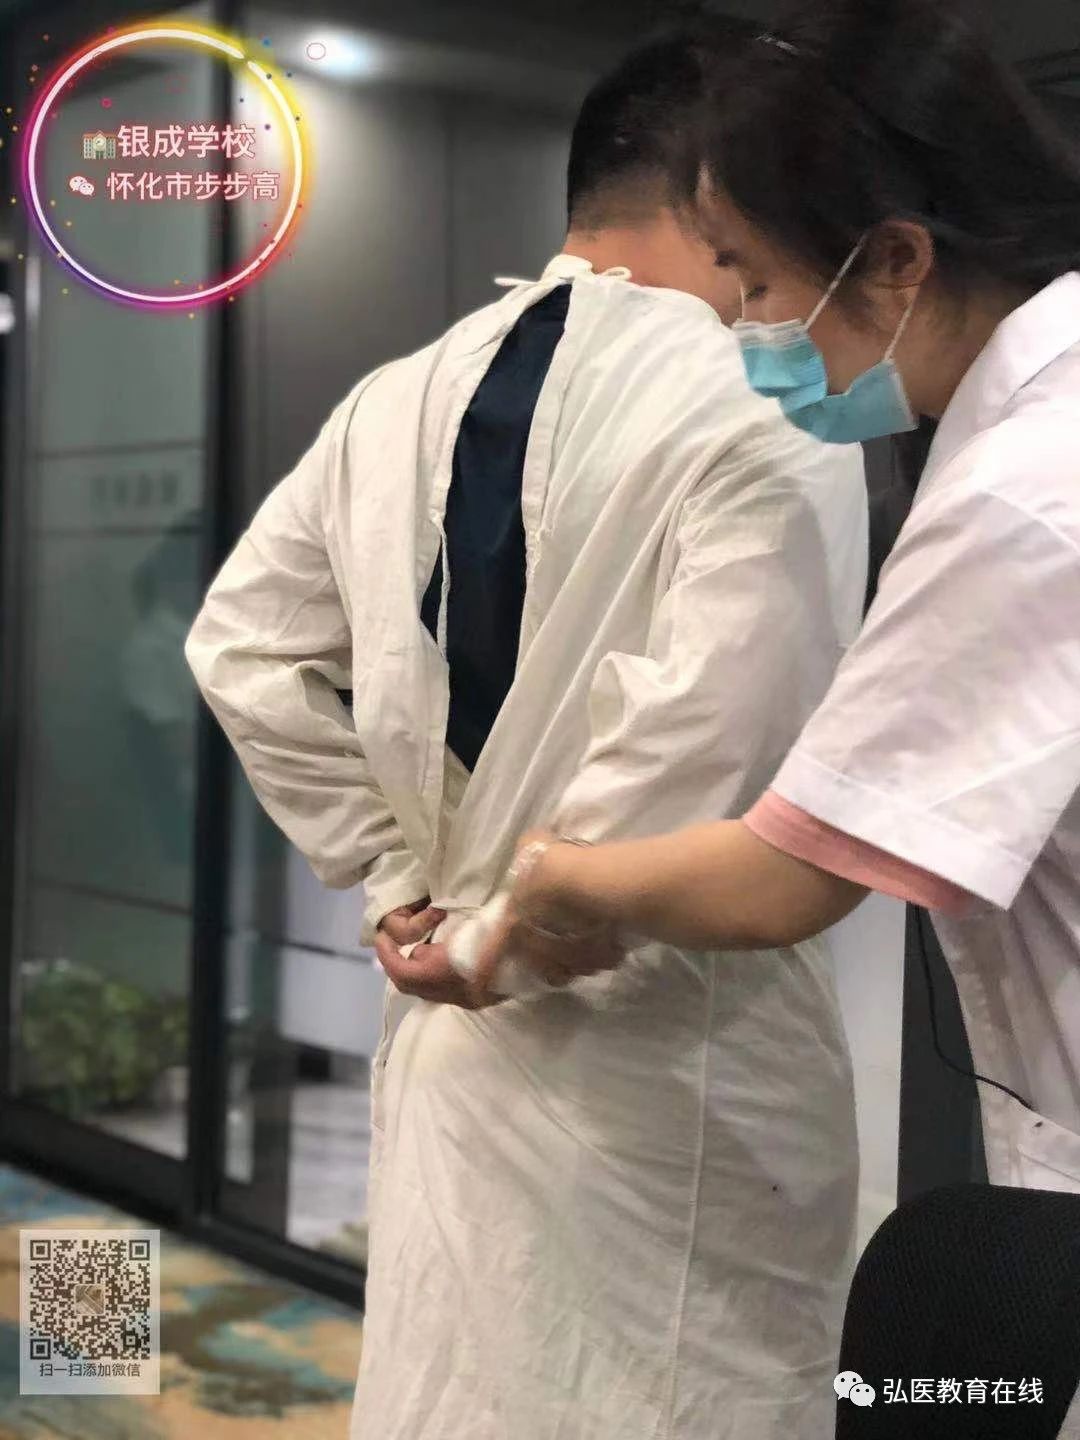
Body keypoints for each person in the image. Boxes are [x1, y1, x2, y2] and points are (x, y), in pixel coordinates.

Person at [185, 26, 869, 1439]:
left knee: (458, 1383)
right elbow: (714, 743)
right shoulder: (770, 399)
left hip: (456, 1044)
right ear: (725, 192)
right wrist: (513, 932)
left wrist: (406, 882)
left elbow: (239, 647)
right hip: (672, 1064)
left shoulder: (392, 399)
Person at [478, 0, 1080, 1200]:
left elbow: (785, 875)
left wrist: (546, 876)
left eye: (757, 286)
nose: (749, 332)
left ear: (896, 260)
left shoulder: (1024, 490)